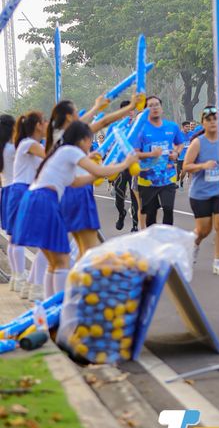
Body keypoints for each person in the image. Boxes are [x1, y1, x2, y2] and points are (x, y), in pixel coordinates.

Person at [13, 121, 136, 298]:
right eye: (90, 140)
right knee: (61, 260)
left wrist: (92, 166)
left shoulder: (63, 152)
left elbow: (77, 181)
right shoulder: (71, 151)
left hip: (35, 199)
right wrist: (126, 163)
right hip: (44, 200)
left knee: (55, 262)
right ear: (83, 139)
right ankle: (63, 303)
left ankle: (52, 303)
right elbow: (101, 172)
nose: (90, 145)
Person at [48, 95, 139, 257]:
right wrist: (124, 164)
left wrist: (97, 107)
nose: (80, 116)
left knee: (71, 250)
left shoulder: (60, 137)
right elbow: (103, 122)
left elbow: (99, 122)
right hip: (76, 195)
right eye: (76, 112)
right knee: (87, 250)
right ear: (69, 118)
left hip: (70, 191)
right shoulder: (68, 140)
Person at [184, 106, 219, 275]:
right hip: (200, 193)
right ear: (203, 123)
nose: (212, 122)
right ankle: (193, 247)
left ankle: (218, 262)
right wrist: (203, 166)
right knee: (203, 230)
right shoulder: (197, 143)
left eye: (215, 119)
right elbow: (186, 166)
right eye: (208, 120)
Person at [5, 112, 47, 292]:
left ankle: (21, 279)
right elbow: (51, 156)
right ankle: (28, 282)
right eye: (44, 121)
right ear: (37, 125)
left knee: (16, 238)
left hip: (21, 190)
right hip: (22, 190)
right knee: (38, 238)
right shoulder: (28, 144)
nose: (47, 124)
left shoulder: (25, 145)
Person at [135, 96, 184, 227]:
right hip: (147, 179)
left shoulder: (172, 127)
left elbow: (180, 143)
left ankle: (166, 236)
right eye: (150, 106)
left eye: (157, 104)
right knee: (151, 214)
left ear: (161, 108)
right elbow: (134, 153)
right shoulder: (140, 130)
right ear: (145, 110)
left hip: (168, 177)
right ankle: (153, 236)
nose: (155, 108)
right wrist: (151, 154)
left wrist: (176, 152)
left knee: (168, 208)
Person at [110, 100, 139, 232]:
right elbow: (109, 145)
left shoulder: (138, 127)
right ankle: (121, 214)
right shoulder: (115, 127)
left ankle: (135, 226)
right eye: (127, 110)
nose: (130, 112)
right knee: (119, 196)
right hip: (120, 166)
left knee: (135, 196)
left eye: (132, 109)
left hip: (134, 166)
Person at [0, 114, 16, 286]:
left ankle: (16, 275)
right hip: (16, 191)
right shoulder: (13, 149)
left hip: (5, 191)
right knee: (18, 237)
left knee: (12, 237)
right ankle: (19, 276)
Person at [177, 121, 192, 189]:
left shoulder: (192, 133)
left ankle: (191, 184)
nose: (188, 128)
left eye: (189, 126)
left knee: (190, 171)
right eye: (186, 126)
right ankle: (181, 181)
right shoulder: (179, 134)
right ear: (183, 127)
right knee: (183, 172)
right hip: (181, 157)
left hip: (190, 156)